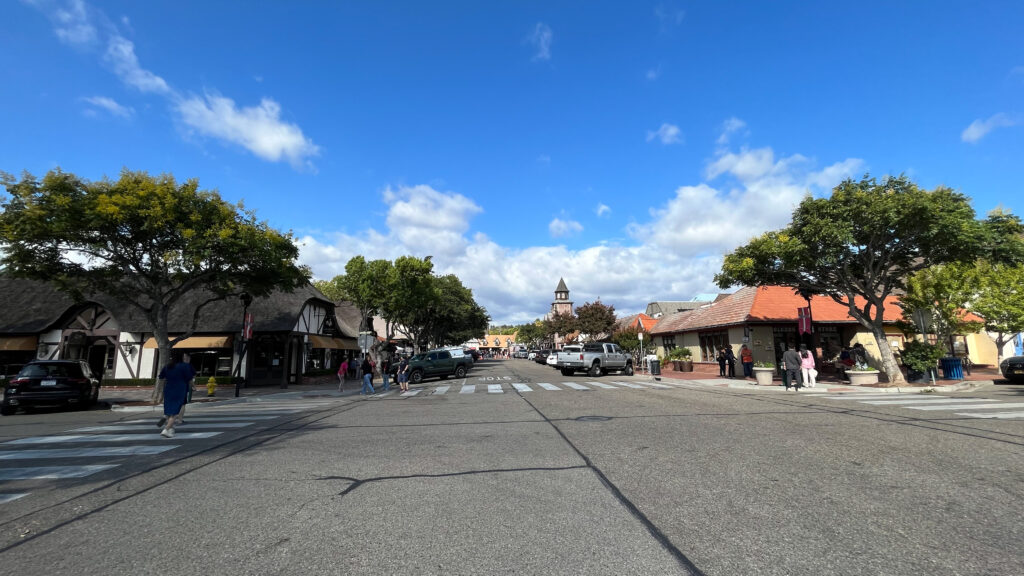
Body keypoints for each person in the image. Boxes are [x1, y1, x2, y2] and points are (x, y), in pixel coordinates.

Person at [157, 353, 196, 438]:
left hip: (168, 389)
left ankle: (168, 422)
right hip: (180, 390)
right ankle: (166, 429)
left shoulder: (167, 366)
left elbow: (161, 377)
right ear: (181, 357)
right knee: (175, 412)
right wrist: (193, 386)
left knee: (169, 408)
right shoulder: (184, 366)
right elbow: (190, 379)